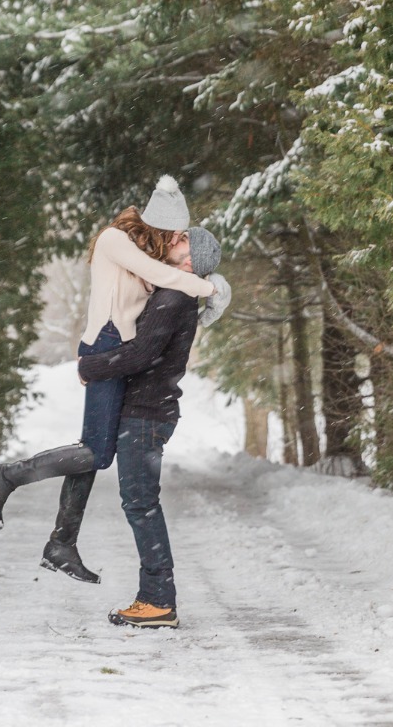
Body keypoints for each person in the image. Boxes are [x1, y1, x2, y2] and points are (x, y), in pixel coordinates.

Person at [0, 177, 230, 585]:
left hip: (119, 349)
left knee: (94, 451)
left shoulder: (155, 261)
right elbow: (170, 279)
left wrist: (208, 283)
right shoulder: (115, 241)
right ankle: (5, 478)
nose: (181, 240)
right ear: (160, 226)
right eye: (178, 233)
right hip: (107, 346)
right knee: (96, 453)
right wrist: (211, 287)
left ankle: (61, 543)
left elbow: (170, 301)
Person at [76, 227, 224, 630]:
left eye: (185, 243)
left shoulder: (174, 297)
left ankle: (158, 602)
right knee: (139, 503)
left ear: (192, 262)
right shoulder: (170, 291)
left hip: (147, 414)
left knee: (141, 504)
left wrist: (89, 367)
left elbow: (140, 354)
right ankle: (156, 598)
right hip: (146, 411)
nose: (176, 242)